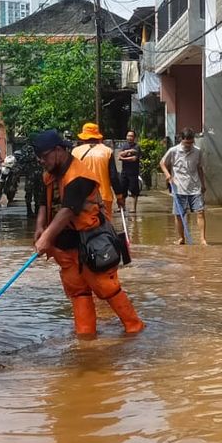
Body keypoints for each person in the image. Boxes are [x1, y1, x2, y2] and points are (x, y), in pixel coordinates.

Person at [32, 129, 144, 337]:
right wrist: (40, 228)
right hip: (65, 248)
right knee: (78, 292)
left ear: (58, 150)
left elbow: (67, 211)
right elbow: (42, 203)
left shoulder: (79, 176)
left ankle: (134, 328)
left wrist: (46, 238)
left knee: (107, 288)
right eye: (39, 157)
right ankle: (86, 339)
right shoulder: (49, 174)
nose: (41, 161)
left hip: (91, 243)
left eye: (44, 156)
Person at [161, 128, 208, 245]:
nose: (189, 145)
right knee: (179, 214)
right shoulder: (173, 151)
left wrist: (203, 184)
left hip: (195, 187)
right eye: (187, 143)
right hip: (179, 187)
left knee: (200, 212)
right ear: (182, 139)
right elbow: (162, 163)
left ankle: (202, 239)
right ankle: (182, 238)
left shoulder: (197, 151)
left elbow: (200, 168)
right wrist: (168, 176)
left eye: (191, 142)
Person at [72, 122, 124, 222]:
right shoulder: (107, 151)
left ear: (83, 138)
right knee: (105, 227)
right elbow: (113, 177)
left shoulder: (75, 152)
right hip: (104, 197)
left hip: (83, 198)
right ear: (98, 137)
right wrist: (119, 196)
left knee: (84, 226)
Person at [118, 130, 142, 218]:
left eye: (131, 136)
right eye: (128, 136)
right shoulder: (124, 146)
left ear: (134, 138)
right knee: (122, 189)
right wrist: (128, 152)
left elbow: (134, 159)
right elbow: (119, 156)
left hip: (133, 172)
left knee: (134, 190)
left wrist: (124, 156)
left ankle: (133, 208)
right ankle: (122, 207)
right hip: (124, 171)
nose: (129, 137)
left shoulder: (137, 147)